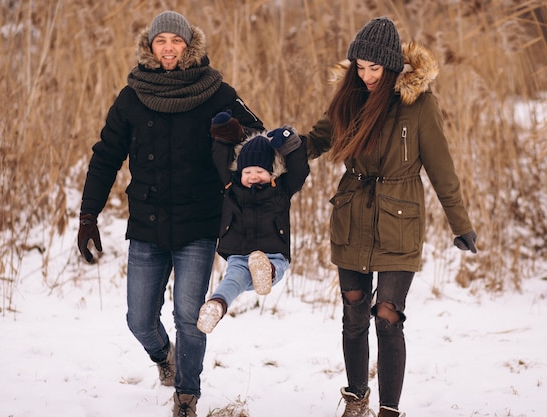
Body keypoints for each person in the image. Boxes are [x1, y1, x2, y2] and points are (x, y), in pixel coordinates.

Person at [76, 11, 264, 417]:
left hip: (199, 221)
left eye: (175, 42)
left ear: (188, 46)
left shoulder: (217, 93)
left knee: (189, 316)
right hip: (147, 222)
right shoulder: (132, 96)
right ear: (150, 47)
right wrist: (88, 215)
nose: (168, 49)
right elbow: (106, 155)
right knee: (139, 319)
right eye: (160, 42)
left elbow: (259, 142)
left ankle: (186, 395)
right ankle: (165, 357)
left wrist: (239, 140)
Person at [301, 17, 478, 417]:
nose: (365, 76)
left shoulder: (419, 104)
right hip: (352, 215)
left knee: (387, 317)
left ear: (392, 66)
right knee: (354, 310)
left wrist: (460, 224)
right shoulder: (349, 98)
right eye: (359, 67)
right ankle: (356, 397)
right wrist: (272, 153)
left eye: (374, 68)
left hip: (400, 218)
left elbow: (441, 169)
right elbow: (314, 141)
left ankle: (389, 410)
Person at [196, 114, 310, 334]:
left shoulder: (281, 190)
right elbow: (220, 160)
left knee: (258, 272)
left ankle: (264, 272)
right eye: (248, 172)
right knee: (235, 277)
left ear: (272, 172)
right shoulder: (232, 187)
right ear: (240, 171)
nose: (253, 176)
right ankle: (216, 306)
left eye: (260, 171)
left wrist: (291, 143)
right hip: (239, 252)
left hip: (272, 253)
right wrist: (222, 134)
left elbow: (299, 170)